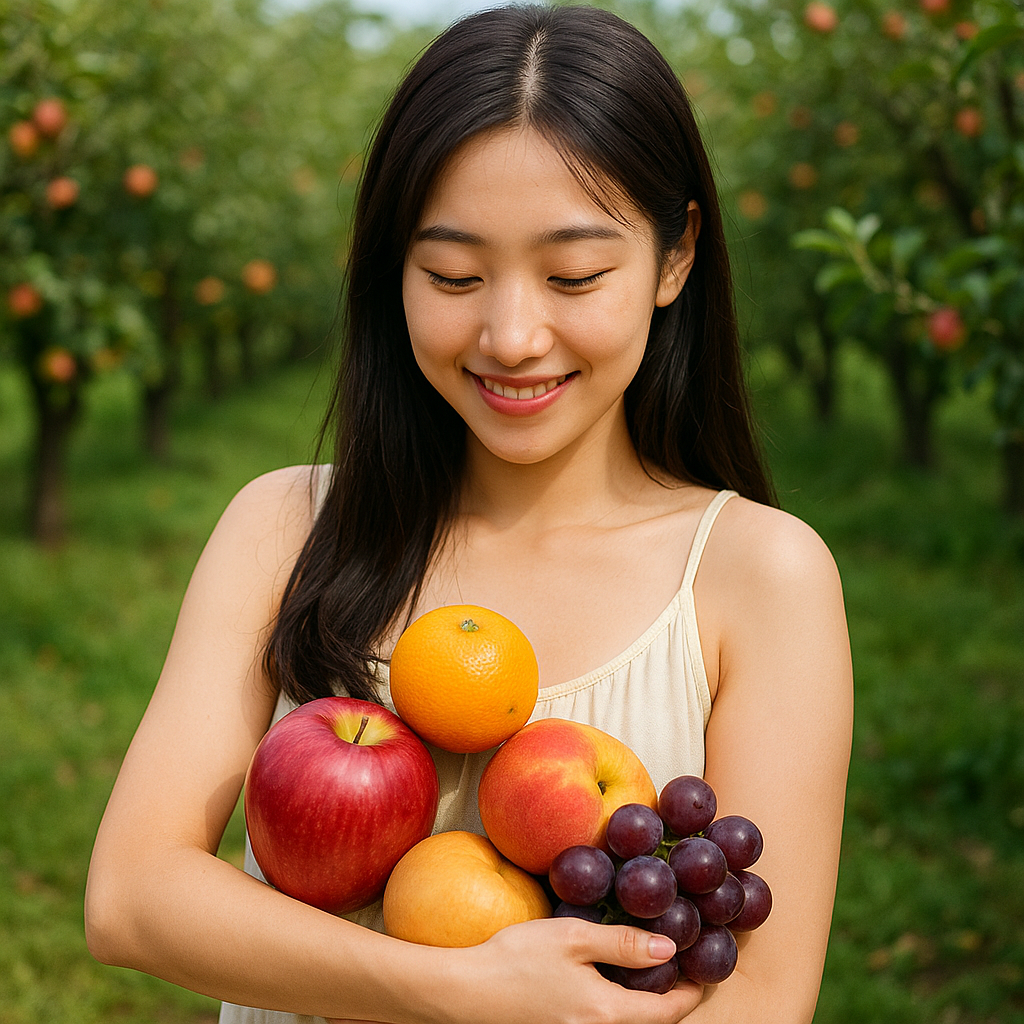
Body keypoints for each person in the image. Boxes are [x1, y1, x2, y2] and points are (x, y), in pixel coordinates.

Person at [85, 5, 853, 1024]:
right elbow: (132, 898)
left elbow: (759, 995)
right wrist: (458, 989)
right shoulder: (286, 528)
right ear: (390, 269)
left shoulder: (756, 578)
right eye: (452, 275)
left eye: (574, 275)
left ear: (675, 260)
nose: (512, 334)